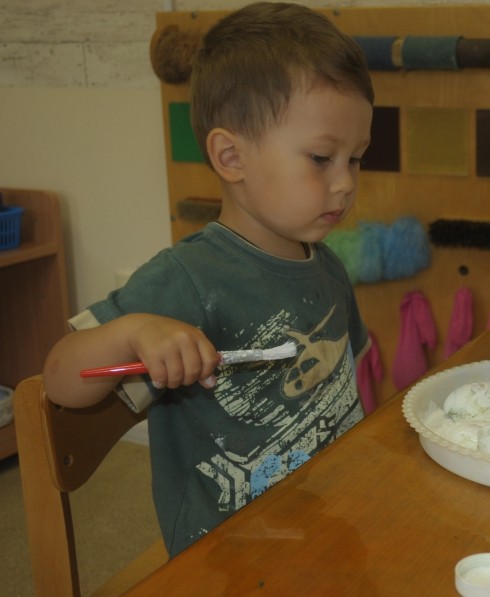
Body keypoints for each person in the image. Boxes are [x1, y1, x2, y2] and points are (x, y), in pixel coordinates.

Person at [41, 2, 374, 557]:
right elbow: (59, 379)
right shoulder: (187, 279)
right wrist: (134, 332)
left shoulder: (327, 265)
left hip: (334, 526)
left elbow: (352, 392)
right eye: (322, 158)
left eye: (356, 159)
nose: (344, 183)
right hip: (228, 560)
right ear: (231, 156)